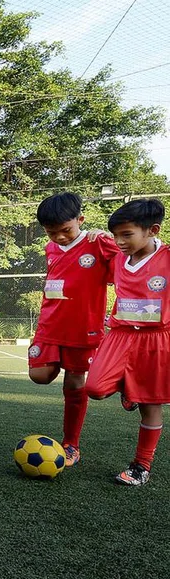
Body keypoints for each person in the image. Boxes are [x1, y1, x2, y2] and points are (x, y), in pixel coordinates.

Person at [27, 193, 120, 467]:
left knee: (75, 383)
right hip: (50, 323)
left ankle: (71, 444)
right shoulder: (50, 248)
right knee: (40, 375)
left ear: (81, 220)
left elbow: (125, 270)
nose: (60, 237)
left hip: (84, 328)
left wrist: (113, 241)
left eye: (66, 230)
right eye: (52, 232)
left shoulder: (99, 243)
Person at [86, 198, 169, 486]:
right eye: (116, 235)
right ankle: (128, 389)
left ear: (152, 230)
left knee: (151, 404)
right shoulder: (118, 253)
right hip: (119, 335)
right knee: (94, 388)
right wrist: (97, 233)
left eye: (127, 235)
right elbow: (95, 240)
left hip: (156, 339)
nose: (119, 241)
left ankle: (141, 465)